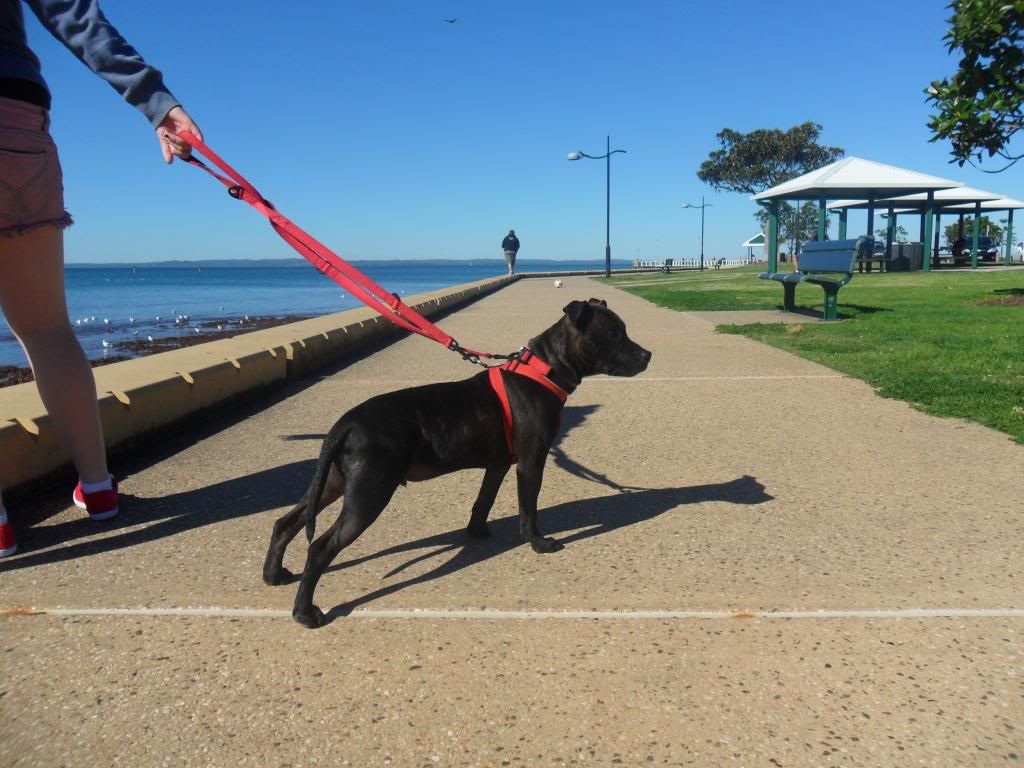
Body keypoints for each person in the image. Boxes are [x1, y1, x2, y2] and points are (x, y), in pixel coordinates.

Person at [0, 0, 201, 557]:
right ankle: (97, 487)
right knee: (46, 328)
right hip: (15, 111)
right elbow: (73, 12)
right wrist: (156, 103)